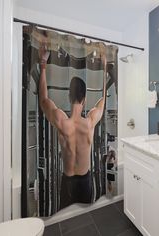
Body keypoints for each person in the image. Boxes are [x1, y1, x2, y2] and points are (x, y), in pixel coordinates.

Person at [38, 43, 107, 209]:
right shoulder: (90, 122)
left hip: (68, 181)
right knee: (85, 217)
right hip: (85, 181)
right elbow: (102, 102)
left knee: (66, 221)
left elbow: (43, 100)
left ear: (69, 96)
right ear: (84, 99)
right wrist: (104, 68)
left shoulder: (62, 121)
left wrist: (43, 64)